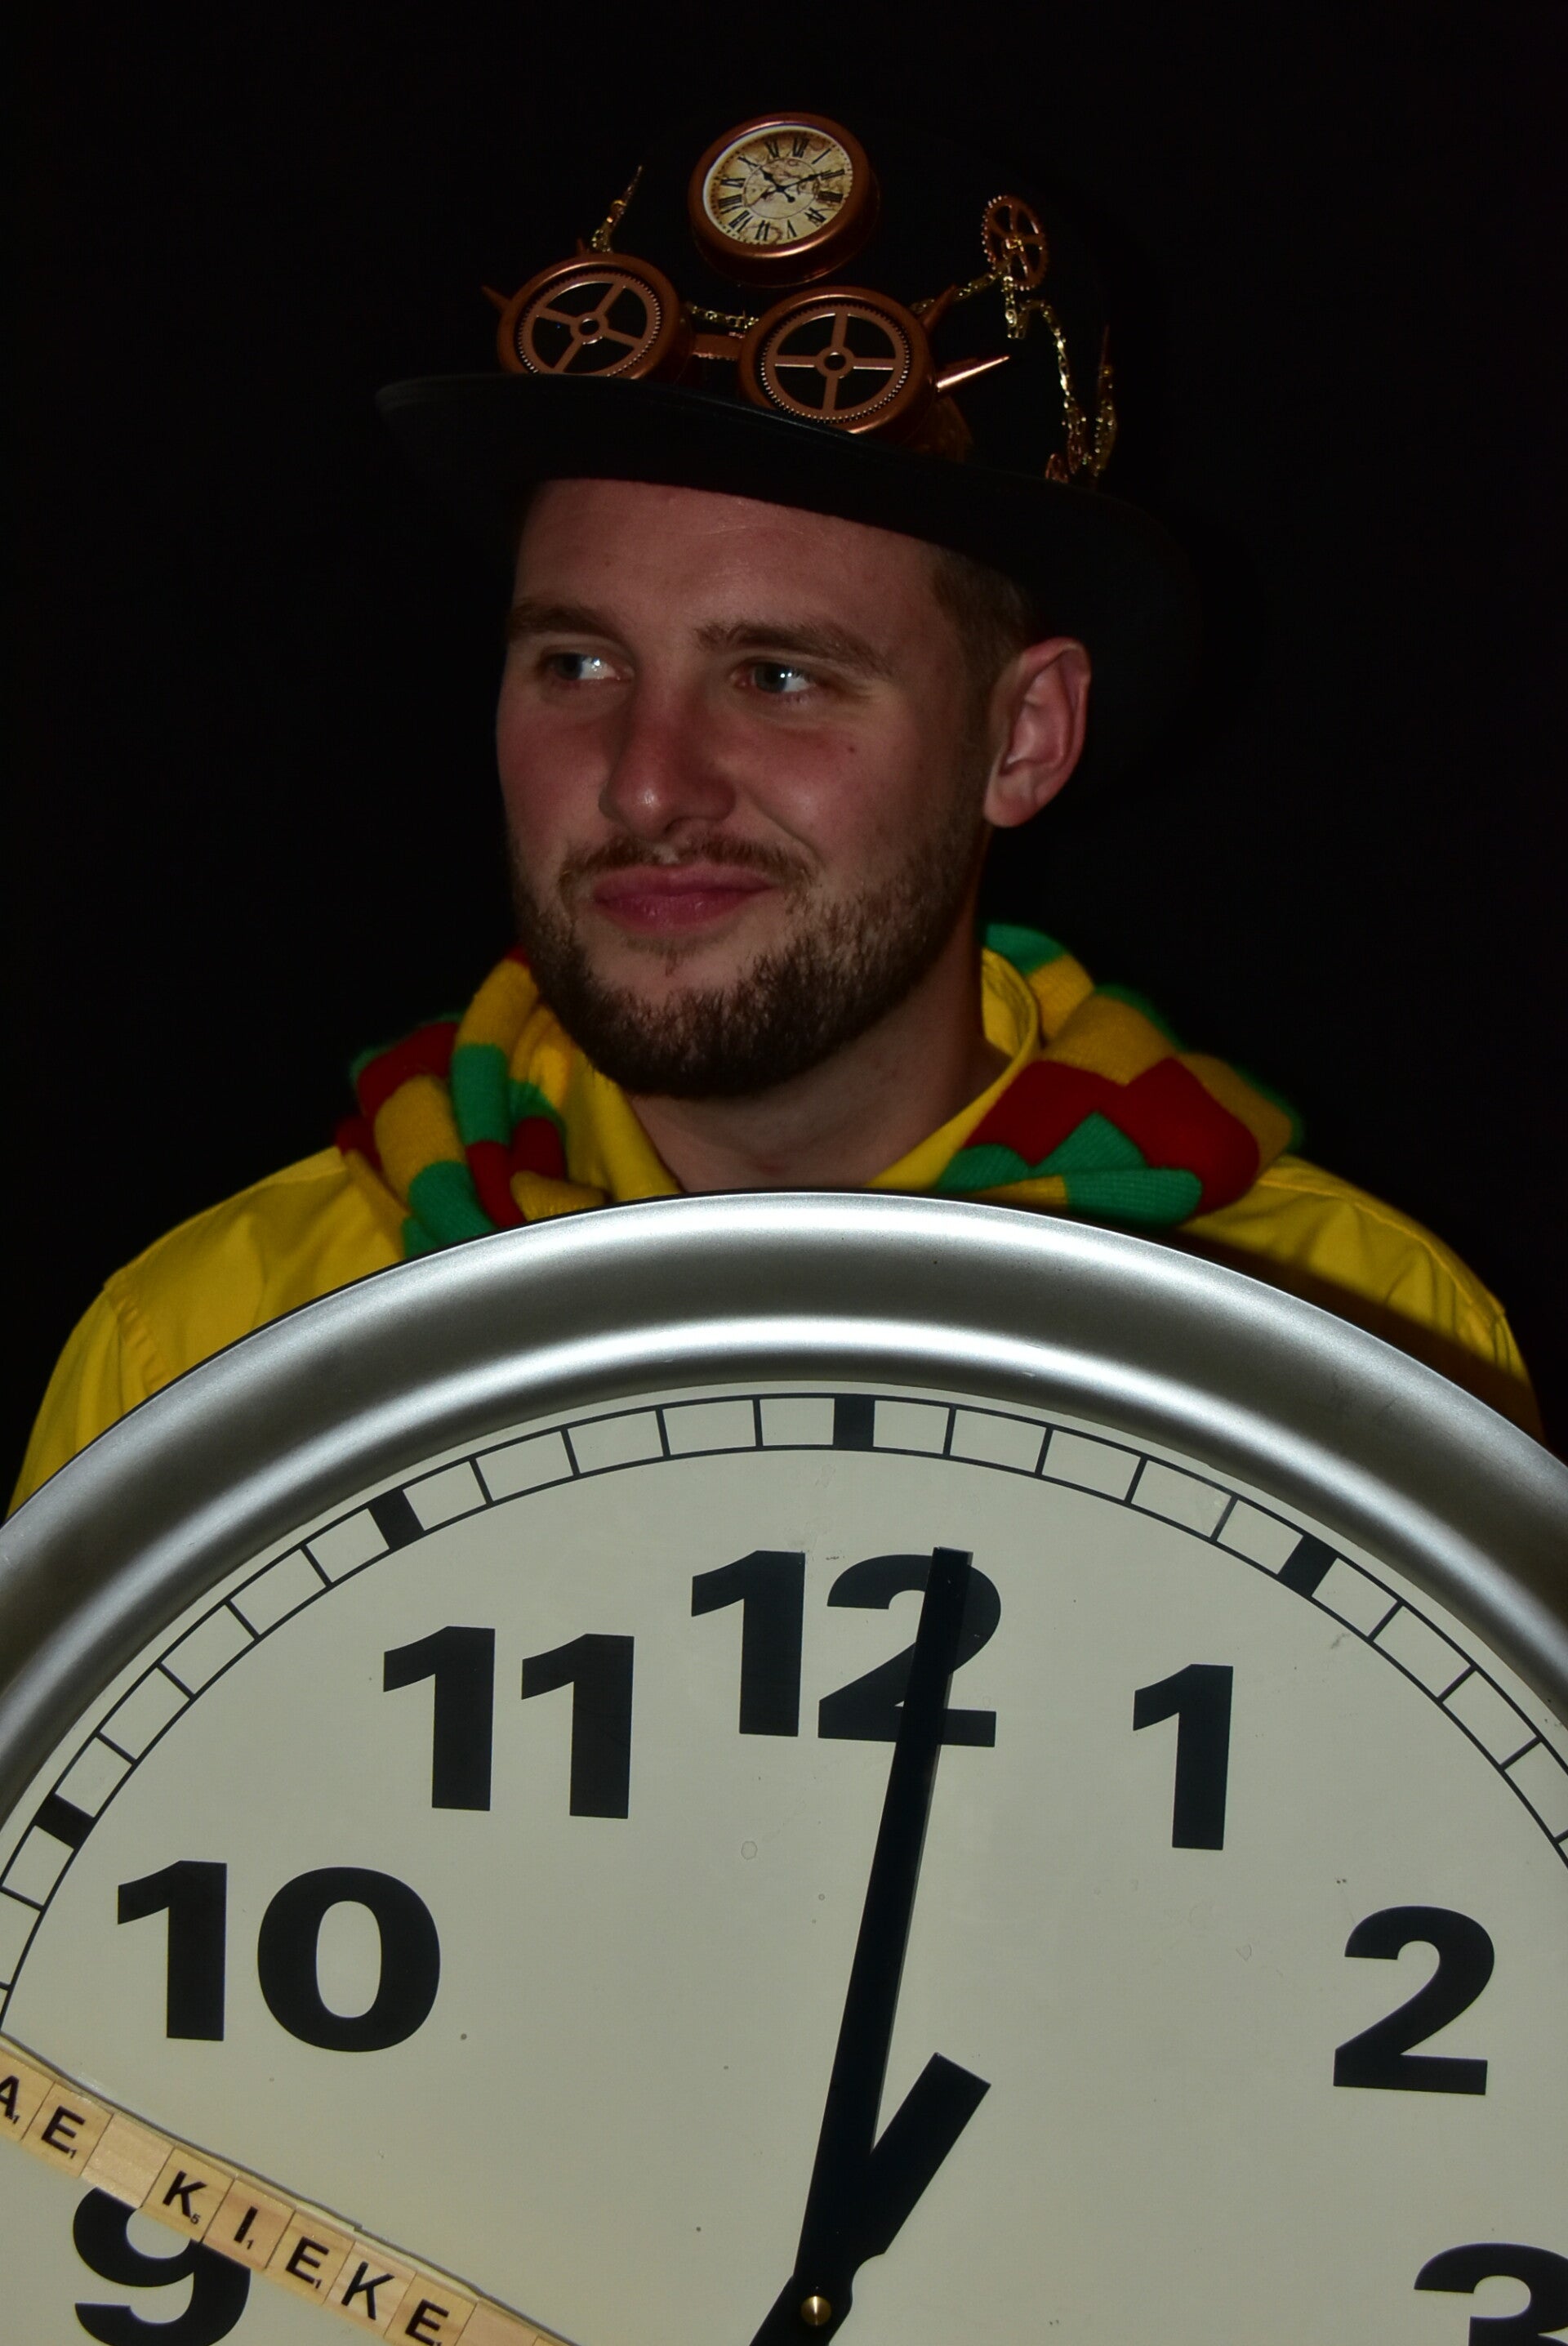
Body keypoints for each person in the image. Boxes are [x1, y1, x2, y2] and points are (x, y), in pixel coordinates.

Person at [11, 111, 1535, 1509]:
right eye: (578, 663)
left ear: (1023, 737)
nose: (646, 779)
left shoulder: (1361, 1351)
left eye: (781, 678)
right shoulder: (206, 1358)